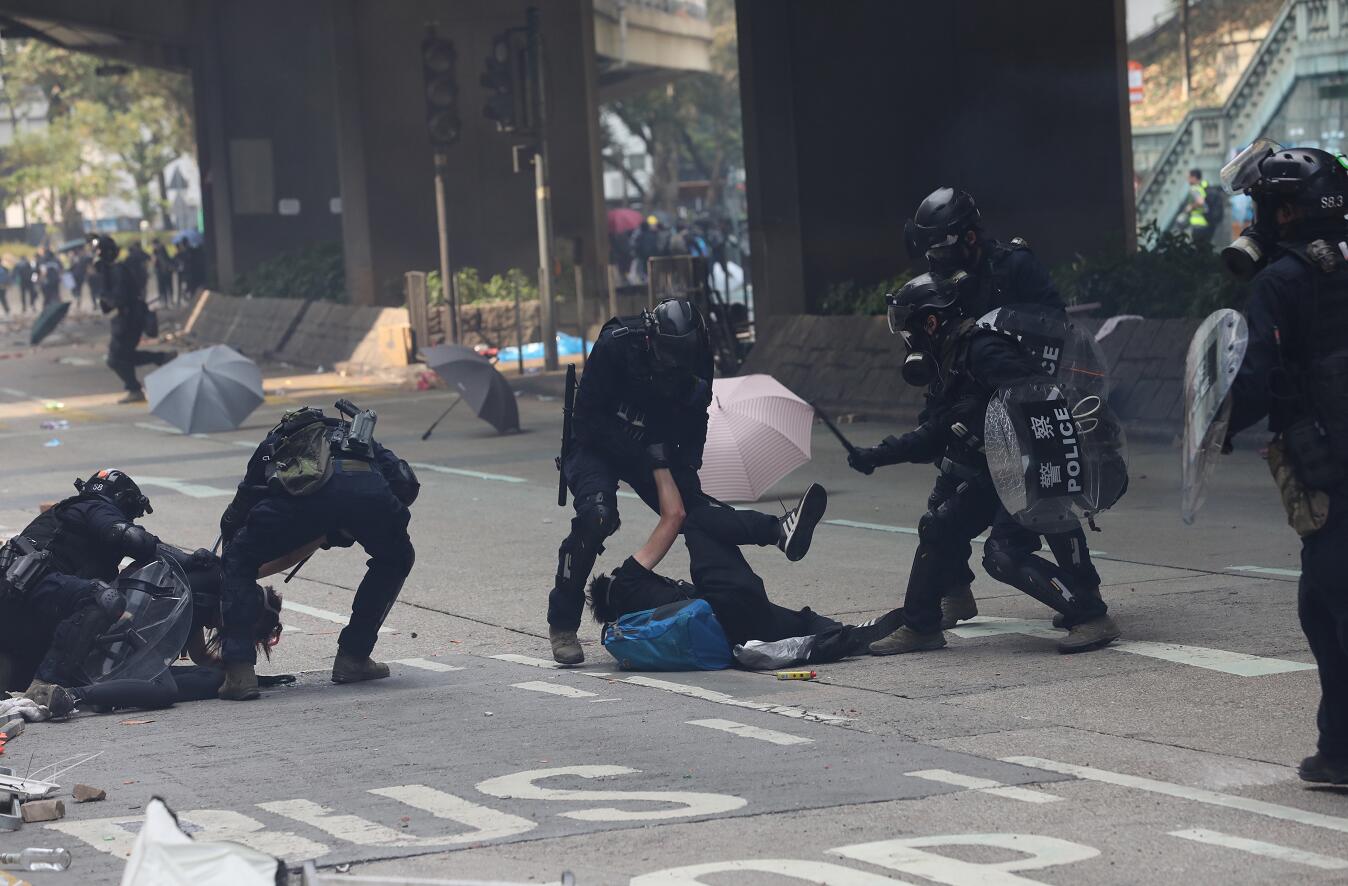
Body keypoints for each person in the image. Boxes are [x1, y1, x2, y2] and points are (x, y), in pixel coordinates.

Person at [847, 272, 1119, 655]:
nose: (906, 340)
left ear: (930, 322)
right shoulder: (950, 358)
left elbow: (1035, 397)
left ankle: (1090, 615)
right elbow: (937, 430)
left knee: (1003, 554)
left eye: (909, 328)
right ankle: (921, 626)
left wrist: (886, 452)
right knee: (939, 525)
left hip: (1035, 463)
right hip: (1000, 468)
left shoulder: (982, 350)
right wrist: (880, 453)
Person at [549, 298, 828, 664]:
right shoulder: (617, 343)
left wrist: (685, 470)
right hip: (596, 444)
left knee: (694, 512)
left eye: (683, 354)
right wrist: (643, 454)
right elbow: (586, 420)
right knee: (597, 516)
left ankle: (777, 532)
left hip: (652, 445)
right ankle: (563, 624)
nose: (674, 363)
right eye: (668, 353)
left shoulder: (698, 356)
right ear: (650, 339)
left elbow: (697, 419)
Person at [1219, 143, 1348, 784]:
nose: (1259, 222)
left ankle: (1343, 752)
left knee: (1330, 602)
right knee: (1320, 600)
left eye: (1266, 208)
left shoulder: (1283, 280)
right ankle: (1337, 751)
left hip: (1329, 465)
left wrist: (1216, 424)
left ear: (1289, 213)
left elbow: (1256, 377)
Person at [889, 187, 1069, 630]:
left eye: (942, 248)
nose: (936, 259)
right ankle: (953, 592)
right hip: (968, 408)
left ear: (969, 237)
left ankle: (1083, 596)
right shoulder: (942, 280)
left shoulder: (1014, 267)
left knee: (1041, 513)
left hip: (1019, 403)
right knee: (940, 511)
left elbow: (1054, 328)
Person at [588, 467, 902, 665]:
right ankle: (779, 531)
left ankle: (846, 635)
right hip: (727, 607)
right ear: (613, 582)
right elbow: (675, 516)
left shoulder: (632, 628)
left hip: (737, 637)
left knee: (797, 620)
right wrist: (659, 462)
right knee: (697, 520)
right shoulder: (626, 580)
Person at [214, 403, 420, 700]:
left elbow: (243, 503)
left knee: (238, 560)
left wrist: (232, 539)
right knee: (397, 557)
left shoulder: (276, 443)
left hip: (300, 507)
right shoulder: (357, 435)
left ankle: (239, 673)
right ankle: (353, 657)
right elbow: (404, 482)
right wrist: (358, 519)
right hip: (370, 499)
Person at [0, 470, 162, 706]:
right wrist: (183, 556)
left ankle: (31, 683)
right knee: (102, 598)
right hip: (35, 591)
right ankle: (43, 687)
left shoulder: (65, 513)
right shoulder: (95, 507)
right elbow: (132, 539)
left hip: (21, 610)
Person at [92, 234, 174, 403]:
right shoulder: (110, 271)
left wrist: (107, 298)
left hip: (130, 319)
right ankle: (160, 359)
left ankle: (135, 388)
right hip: (123, 320)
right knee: (125, 356)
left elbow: (119, 298)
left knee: (116, 359)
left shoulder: (118, 271)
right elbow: (108, 305)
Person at [1186, 168, 1214, 250]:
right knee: (1204, 249)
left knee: (1198, 250)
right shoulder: (1202, 187)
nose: (1187, 179)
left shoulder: (1194, 189)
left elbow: (1200, 202)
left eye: (1189, 177)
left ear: (1194, 177)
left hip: (1198, 225)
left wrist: (1190, 207)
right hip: (1205, 223)